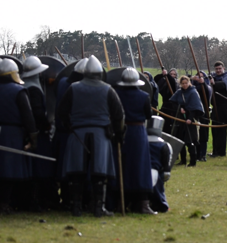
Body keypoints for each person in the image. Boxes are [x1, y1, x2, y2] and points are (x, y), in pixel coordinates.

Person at [57, 55, 125, 217]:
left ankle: (76, 208)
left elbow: (62, 112)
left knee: (77, 173)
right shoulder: (108, 89)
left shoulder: (73, 88)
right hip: (100, 134)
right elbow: (119, 116)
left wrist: (69, 126)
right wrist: (119, 135)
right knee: (99, 174)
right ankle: (97, 209)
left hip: (77, 133)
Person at [114, 67, 156, 214]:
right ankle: (142, 204)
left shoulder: (116, 94)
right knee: (140, 166)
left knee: (123, 166)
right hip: (138, 133)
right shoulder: (144, 96)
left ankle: (121, 203)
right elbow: (148, 115)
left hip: (122, 131)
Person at [0, 59, 38, 214]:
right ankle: (4, 204)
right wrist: (33, 137)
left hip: (8, 132)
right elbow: (27, 116)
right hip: (11, 134)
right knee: (8, 171)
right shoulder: (18, 91)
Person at [21, 56, 56, 211]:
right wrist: (45, 125)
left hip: (26, 132)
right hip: (37, 133)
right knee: (40, 168)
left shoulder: (24, 87)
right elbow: (37, 113)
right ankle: (36, 201)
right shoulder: (34, 89)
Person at [54, 58, 88, 210]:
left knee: (63, 168)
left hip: (63, 131)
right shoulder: (76, 87)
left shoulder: (62, 82)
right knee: (73, 168)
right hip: (72, 132)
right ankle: (72, 200)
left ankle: (66, 199)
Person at [170, 76, 204, 167]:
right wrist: (180, 108)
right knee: (181, 140)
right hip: (181, 119)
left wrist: (189, 118)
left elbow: (195, 107)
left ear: (189, 82)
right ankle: (183, 161)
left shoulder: (193, 92)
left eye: (186, 83)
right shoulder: (179, 92)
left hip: (190, 119)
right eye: (183, 83)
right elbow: (173, 102)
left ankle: (193, 162)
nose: (184, 85)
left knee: (190, 141)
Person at [147, 116, 173, 213]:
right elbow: (166, 169)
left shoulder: (141, 142)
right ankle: (160, 204)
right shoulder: (165, 146)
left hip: (139, 172)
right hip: (156, 174)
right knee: (158, 188)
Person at [209, 61, 227, 158]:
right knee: (214, 129)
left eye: (220, 68)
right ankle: (215, 151)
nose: (218, 70)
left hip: (224, 107)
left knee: (222, 129)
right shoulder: (212, 77)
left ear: (223, 68)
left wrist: (214, 83)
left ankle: (222, 152)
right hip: (215, 107)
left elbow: (224, 85)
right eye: (216, 69)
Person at [191, 71, 212, 162]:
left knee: (203, 135)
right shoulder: (193, 87)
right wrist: (192, 79)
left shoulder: (207, 87)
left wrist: (203, 84)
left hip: (204, 114)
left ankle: (202, 155)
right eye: (198, 77)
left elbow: (207, 92)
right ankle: (196, 154)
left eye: (201, 77)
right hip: (194, 113)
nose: (199, 78)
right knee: (195, 135)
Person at [155, 68, 178, 134]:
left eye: (174, 74)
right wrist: (163, 75)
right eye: (171, 74)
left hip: (174, 108)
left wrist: (167, 75)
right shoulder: (164, 83)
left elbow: (172, 82)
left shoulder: (176, 83)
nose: (173, 75)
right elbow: (156, 79)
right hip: (165, 106)